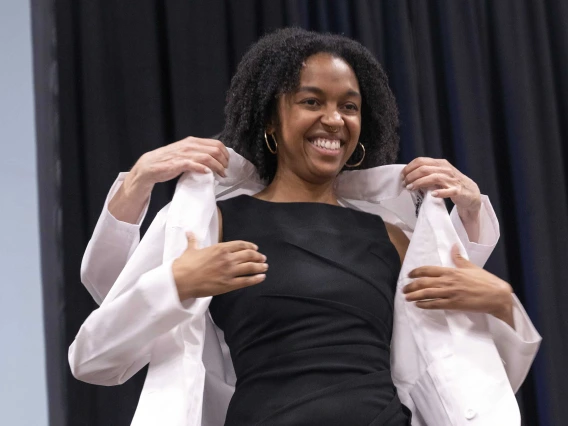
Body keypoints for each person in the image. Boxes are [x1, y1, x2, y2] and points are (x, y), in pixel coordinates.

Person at [70, 28, 540, 425]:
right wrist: (177, 282)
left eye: (349, 106)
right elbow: (94, 356)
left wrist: (503, 302)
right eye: (311, 101)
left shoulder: (395, 237)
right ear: (271, 121)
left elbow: (473, 388)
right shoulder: (211, 223)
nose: (333, 119)